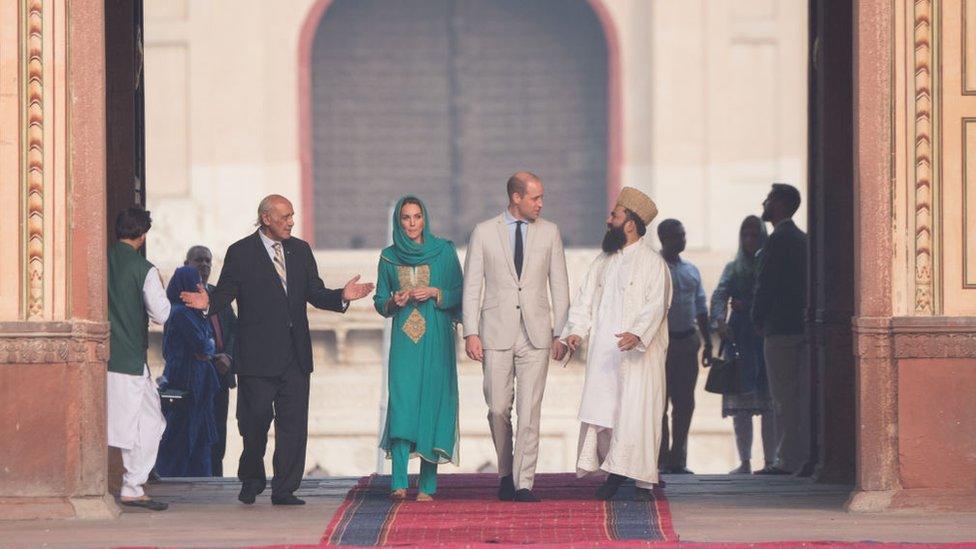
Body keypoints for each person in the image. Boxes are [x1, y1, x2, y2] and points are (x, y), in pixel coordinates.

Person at [180, 194, 375, 505]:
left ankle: (285, 488)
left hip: (296, 356)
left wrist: (342, 295)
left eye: (292, 216)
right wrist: (207, 303)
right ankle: (252, 478)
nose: (291, 222)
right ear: (266, 218)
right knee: (254, 422)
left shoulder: (300, 250)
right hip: (257, 357)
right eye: (284, 217)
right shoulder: (240, 252)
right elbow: (227, 292)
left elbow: (315, 292)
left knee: (293, 427)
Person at [462, 171, 570, 502]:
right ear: (516, 198)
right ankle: (505, 473)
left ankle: (524, 484)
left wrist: (561, 333)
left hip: (537, 334)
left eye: (541, 198)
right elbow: (472, 285)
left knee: (530, 411)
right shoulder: (483, 232)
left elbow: (560, 286)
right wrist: (470, 332)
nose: (540, 203)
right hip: (495, 332)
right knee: (497, 408)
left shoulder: (550, 232)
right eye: (535, 198)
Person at [562, 187, 671, 501]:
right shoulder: (603, 261)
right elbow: (585, 299)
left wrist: (637, 333)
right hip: (604, 354)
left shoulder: (653, 263)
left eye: (615, 215)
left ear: (631, 224)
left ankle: (640, 480)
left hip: (638, 356)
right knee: (605, 414)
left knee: (636, 414)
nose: (609, 220)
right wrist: (575, 332)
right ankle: (613, 473)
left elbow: (657, 305)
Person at [373, 196, 462, 501]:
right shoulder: (388, 257)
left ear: (425, 219)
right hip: (404, 342)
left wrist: (437, 292)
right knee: (402, 403)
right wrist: (393, 301)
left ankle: (427, 485)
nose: (412, 224)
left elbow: (461, 292)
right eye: (406, 218)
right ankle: (399, 481)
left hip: (436, 338)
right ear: (398, 222)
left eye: (417, 217)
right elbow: (379, 301)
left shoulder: (444, 253)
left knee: (431, 403)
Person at [107, 207, 170, 511]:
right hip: (129, 359)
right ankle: (132, 485)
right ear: (143, 235)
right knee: (145, 422)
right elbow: (162, 314)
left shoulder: (101, 259)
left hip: (101, 355)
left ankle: (133, 483)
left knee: (137, 420)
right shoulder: (144, 269)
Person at [752, 183, 810, 476]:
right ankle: (799, 456)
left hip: (780, 330)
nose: (765, 202)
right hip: (801, 326)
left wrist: (756, 317)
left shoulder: (779, 239)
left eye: (770, 198)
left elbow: (767, 284)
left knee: (783, 396)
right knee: (798, 395)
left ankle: (787, 459)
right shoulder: (802, 239)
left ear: (782, 204)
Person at [710, 215, 774, 474]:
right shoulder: (733, 267)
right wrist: (720, 322)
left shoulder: (769, 265)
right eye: (745, 235)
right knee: (741, 405)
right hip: (740, 338)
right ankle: (745, 460)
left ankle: (771, 460)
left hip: (764, 335)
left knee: (769, 402)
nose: (749, 240)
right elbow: (719, 295)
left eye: (754, 235)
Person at [657, 219, 711, 475]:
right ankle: (661, 458)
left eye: (684, 235)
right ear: (664, 238)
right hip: (662, 346)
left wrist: (708, 342)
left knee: (685, 403)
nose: (683, 240)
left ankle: (679, 459)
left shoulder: (691, 271)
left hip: (688, 341)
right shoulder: (654, 270)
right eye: (678, 236)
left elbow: (701, 307)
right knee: (659, 405)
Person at [155, 266, 221, 477]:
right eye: (195, 282)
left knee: (197, 433)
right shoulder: (181, 314)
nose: (199, 287)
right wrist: (207, 348)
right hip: (187, 379)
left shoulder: (191, 313)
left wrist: (207, 349)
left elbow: (206, 346)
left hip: (196, 379)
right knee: (183, 433)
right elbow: (204, 346)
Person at [185, 245, 237, 476]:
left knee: (218, 433)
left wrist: (229, 356)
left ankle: (216, 478)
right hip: (193, 377)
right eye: (199, 260)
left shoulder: (219, 297)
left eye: (208, 261)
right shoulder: (181, 297)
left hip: (220, 374)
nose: (204, 265)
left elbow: (235, 331)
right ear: (187, 264)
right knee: (193, 432)